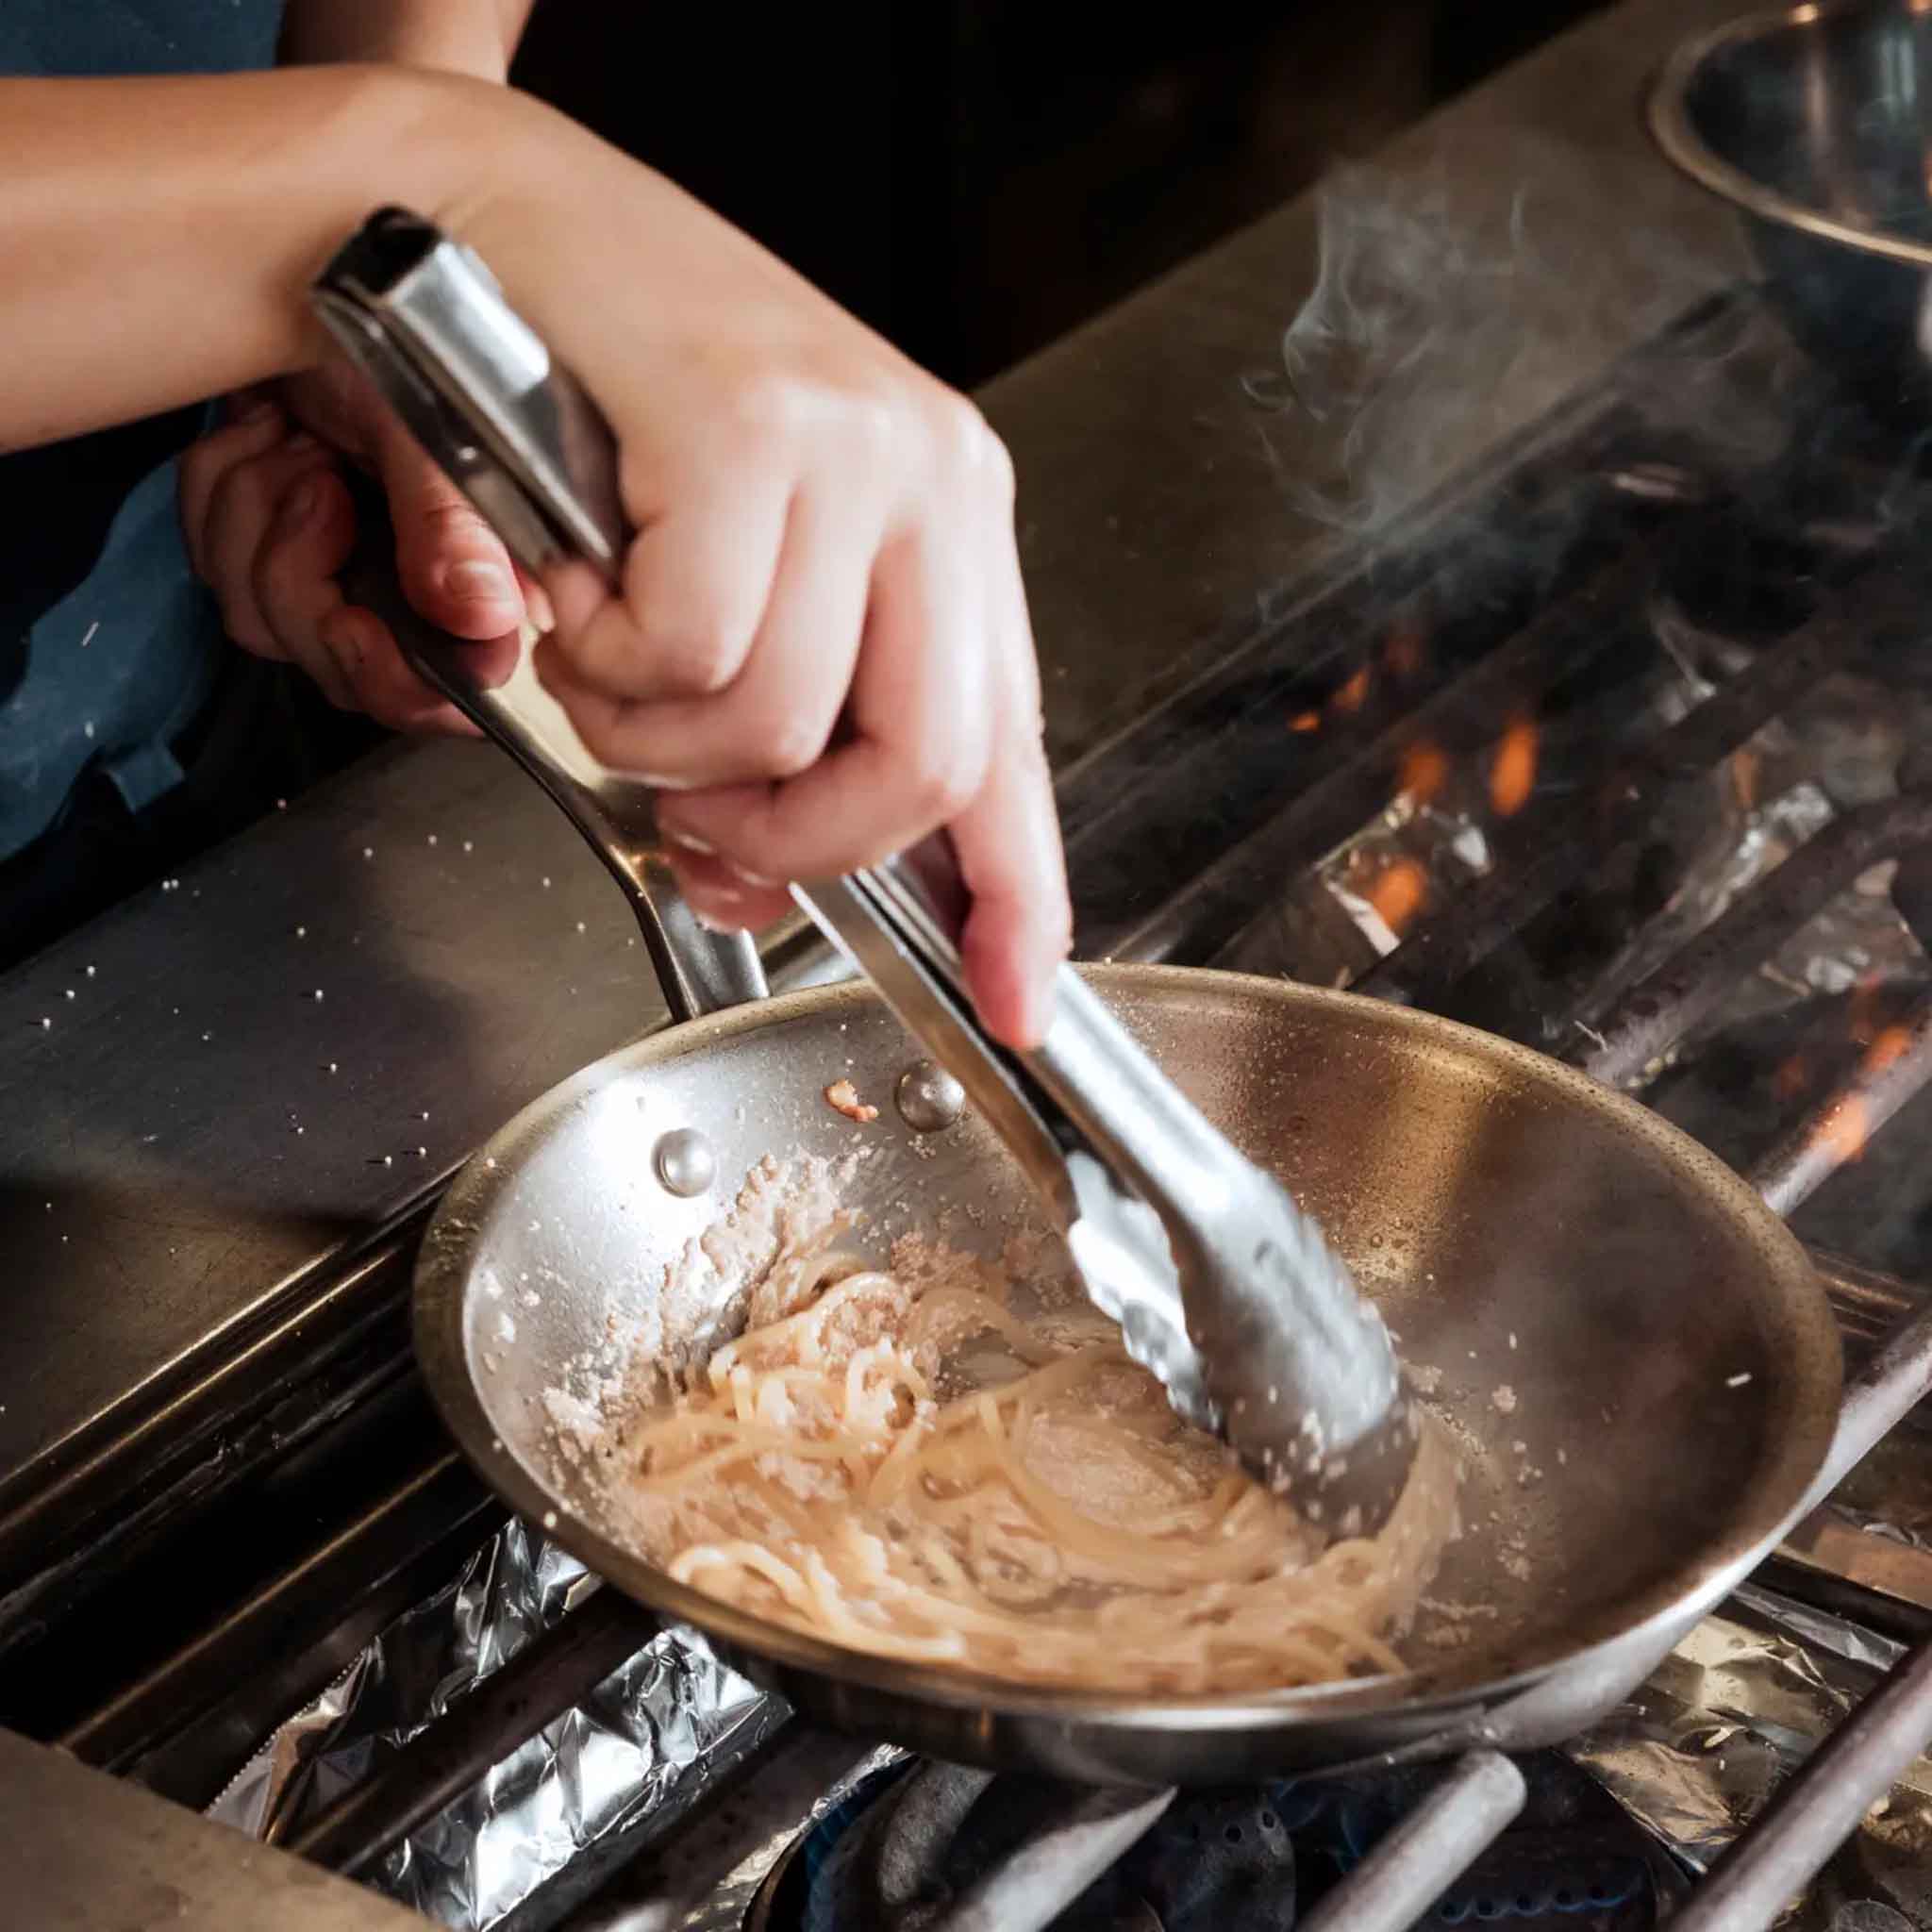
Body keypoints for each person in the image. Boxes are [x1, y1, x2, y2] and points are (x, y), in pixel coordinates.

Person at [0, 1, 1069, 1046]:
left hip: (167, 728)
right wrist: (432, 189)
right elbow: (412, 189)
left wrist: (389, 282)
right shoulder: (427, 183)